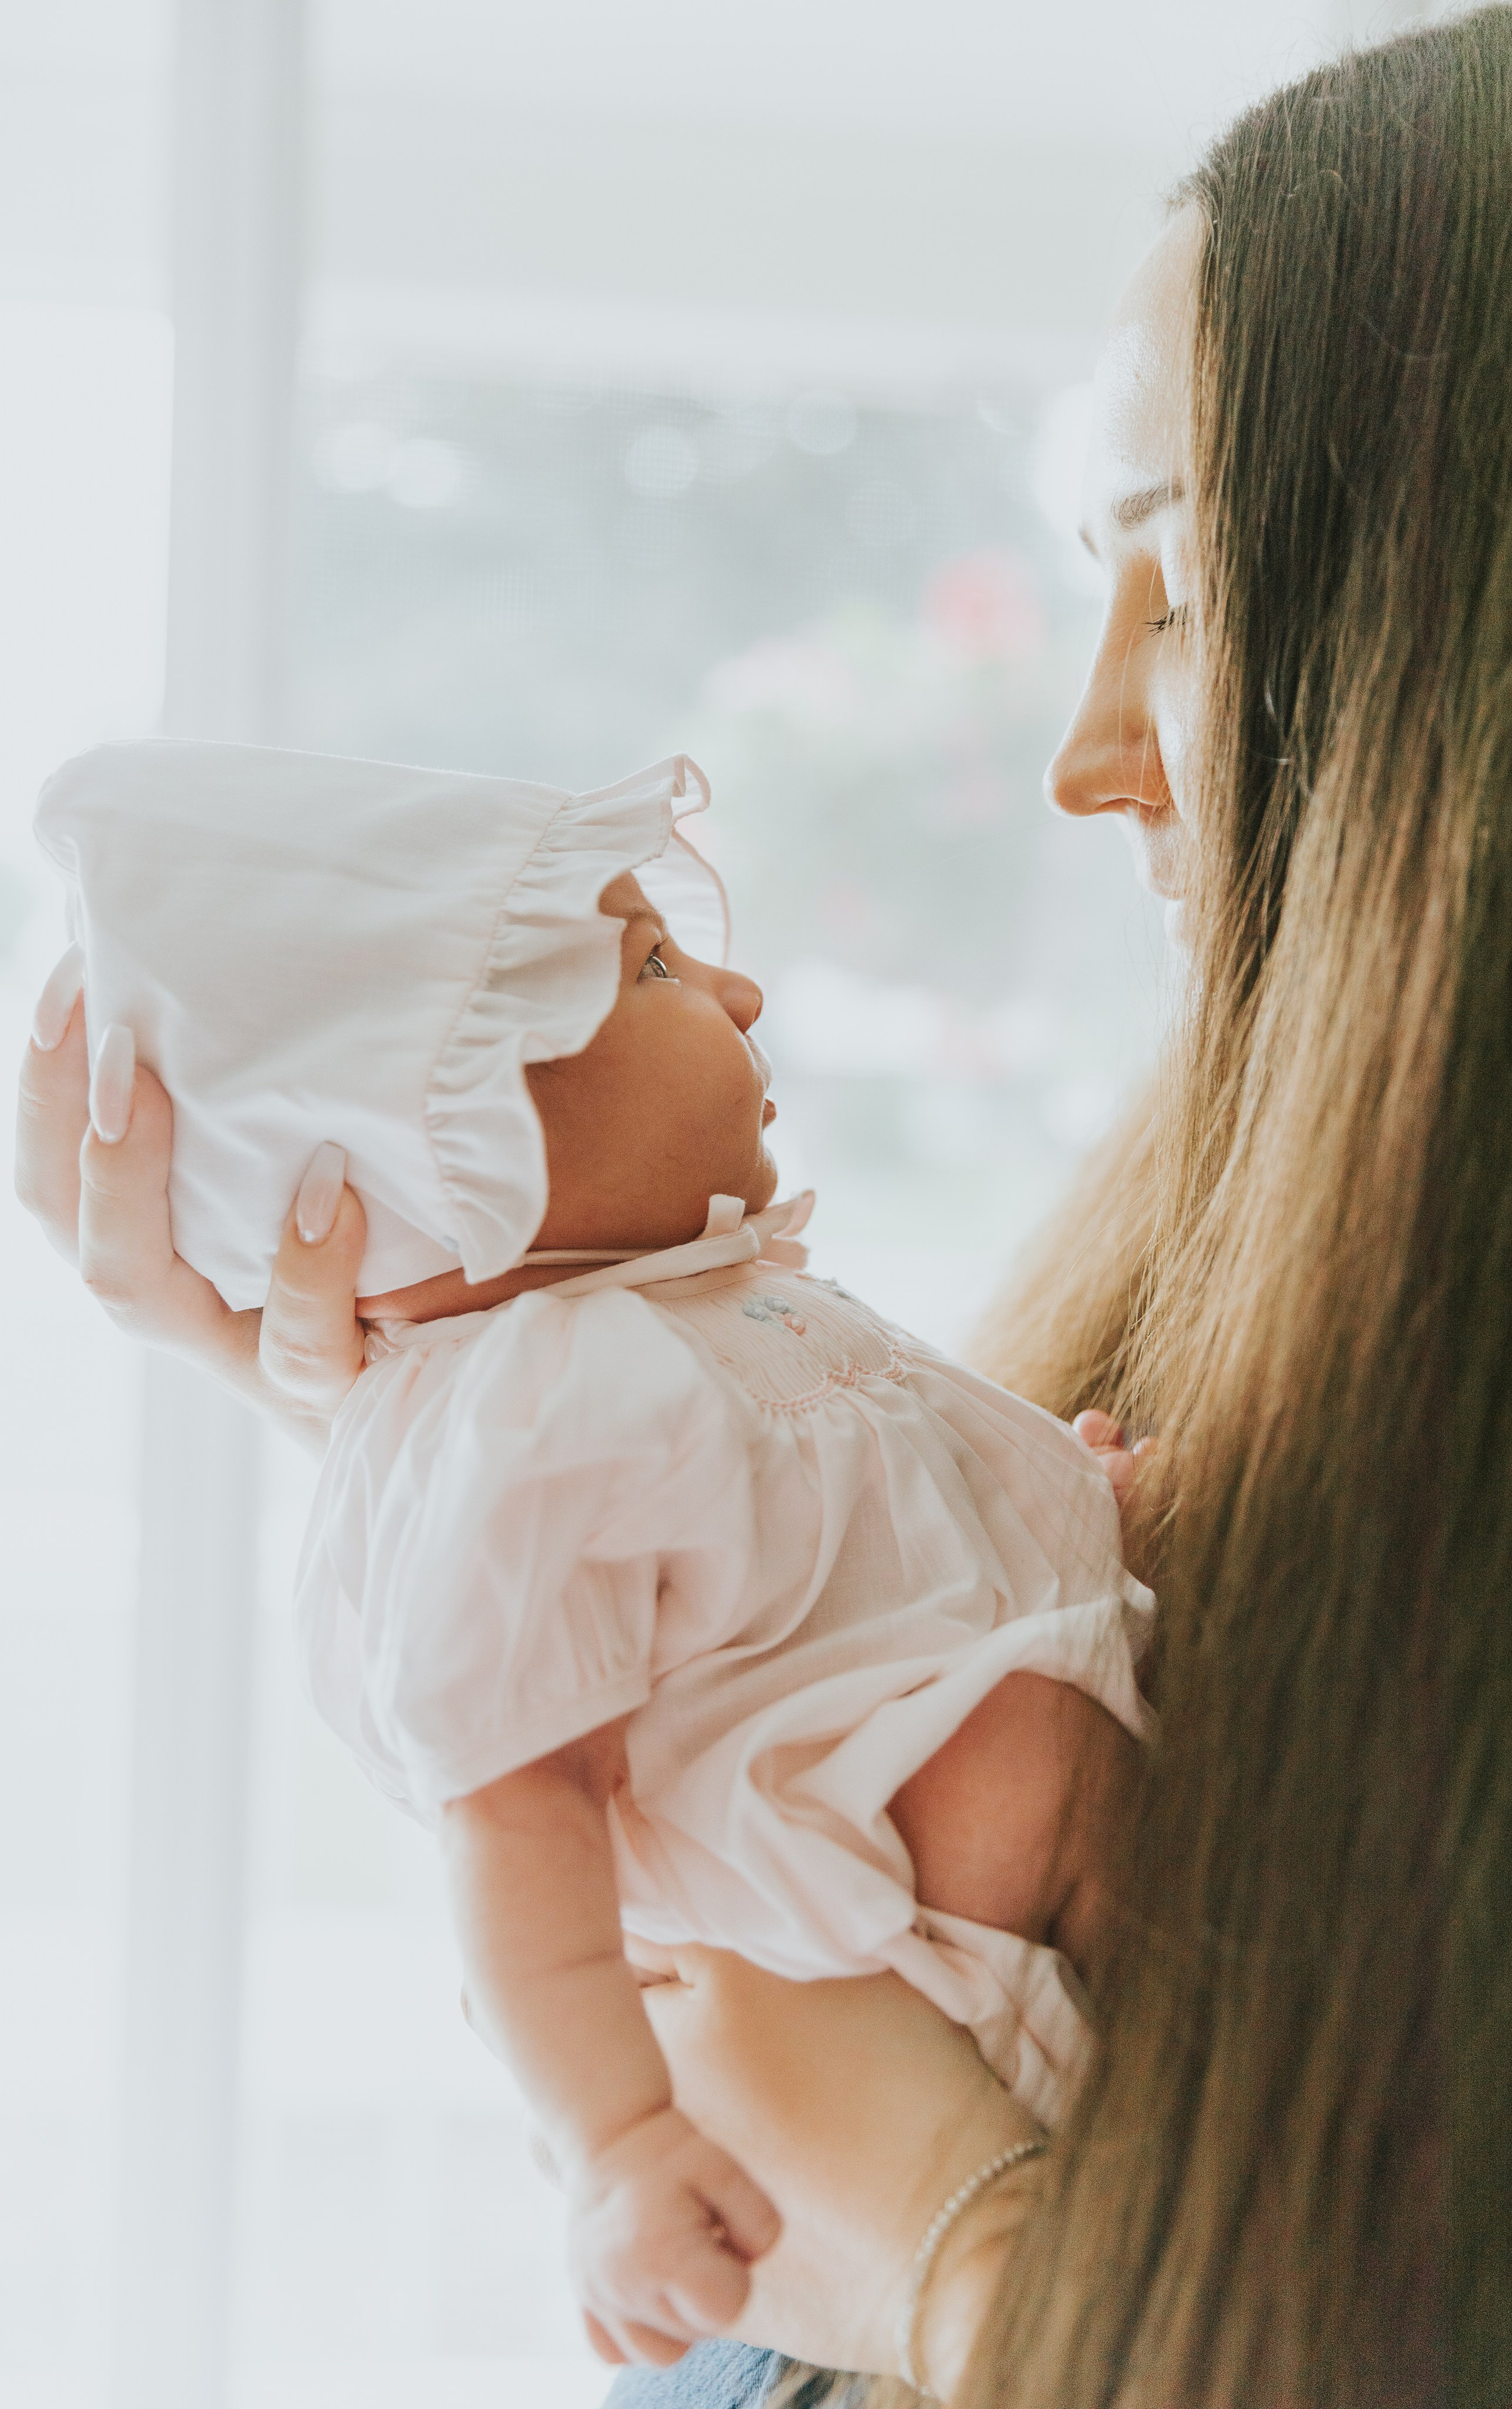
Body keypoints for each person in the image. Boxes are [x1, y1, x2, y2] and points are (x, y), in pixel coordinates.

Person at [16, 4, 1512, 2400]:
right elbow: (659, 1645)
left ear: (1489, 658)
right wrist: (354, 1379)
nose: (1088, 754)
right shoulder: (1234, 1241)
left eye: (1180, 597)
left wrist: (965, 2258)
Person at [33, 735, 1151, 2366]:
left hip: (942, 1790)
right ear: (448, 1164)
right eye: (649, 967)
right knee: (1023, 1775)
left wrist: (1042, 1490)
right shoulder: (531, 1411)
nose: (741, 991)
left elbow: (848, 1503)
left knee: (1040, 1765)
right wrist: (619, 2144)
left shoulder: (694, 1304)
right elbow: (513, 1808)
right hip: (851, 1893)